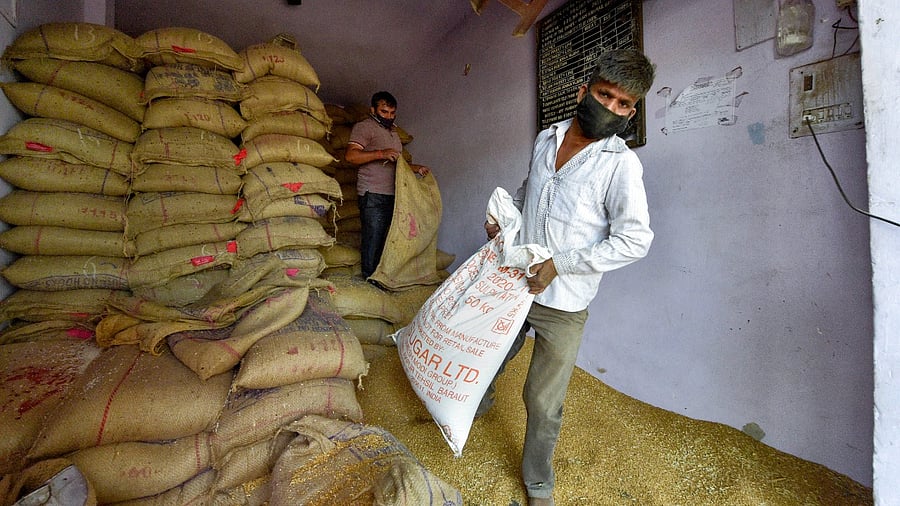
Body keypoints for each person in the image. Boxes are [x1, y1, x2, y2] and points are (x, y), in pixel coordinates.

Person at [477, 49, 656, 506]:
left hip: (565, 302)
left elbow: (635, 240)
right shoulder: (546, 139)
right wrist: (505, 220)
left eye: (623, 104)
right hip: (517, 283)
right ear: (584, 92)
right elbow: (526, 192)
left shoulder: (620, 165)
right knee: (490, 352)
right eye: (605, 95)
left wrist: (561, 263)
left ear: (631, 112)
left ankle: (538, 484)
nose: (611, 108)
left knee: (542, 402)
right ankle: (474, 405)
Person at [345, 91, 430, 284]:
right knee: (373, 238)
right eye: (384, 112)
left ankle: (383, 276)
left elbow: (397, 163)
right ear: (373, 110)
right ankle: (370, 278)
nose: (389, 117)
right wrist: (381, 153)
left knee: (390, 238)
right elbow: (351, 156)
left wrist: (416, 169)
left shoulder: (393, 133)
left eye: (392, 113)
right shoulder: (364, 127)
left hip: (394, 194)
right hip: (373, 193)